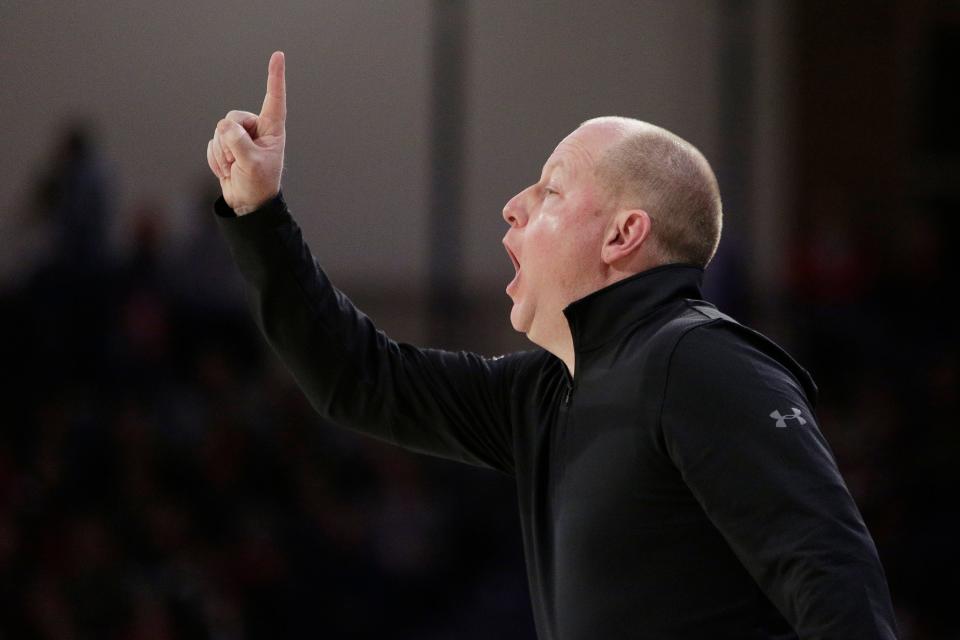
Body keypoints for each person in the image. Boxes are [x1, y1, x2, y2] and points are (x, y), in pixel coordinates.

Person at [206, 51, 899, 639]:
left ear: (623, 235)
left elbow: (833, 576)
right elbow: (354, 377)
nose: (513, 204)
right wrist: (258, 214)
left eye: (552, 189)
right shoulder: (544, 394)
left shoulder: (702, 360)